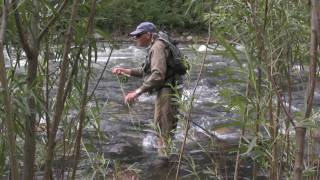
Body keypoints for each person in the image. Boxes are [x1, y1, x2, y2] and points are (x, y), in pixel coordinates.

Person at [112, 22, 183, 157]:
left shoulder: (157, 47)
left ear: (149, 35)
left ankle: (164, 163)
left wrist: (137, 92)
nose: (135, 38)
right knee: (163, 128)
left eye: (138, 35)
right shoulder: (157, 45)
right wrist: (125, 71)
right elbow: (146, 71)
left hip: (167, 92)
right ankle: (166, 160)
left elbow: (157, 75)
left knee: (163, 129)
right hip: (169, 90)